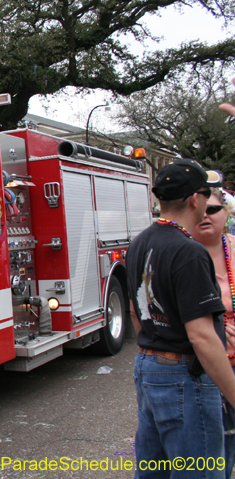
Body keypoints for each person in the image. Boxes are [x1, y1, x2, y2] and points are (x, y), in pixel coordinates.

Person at [128, 158, 235, 478]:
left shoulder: (139, 242)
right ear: (194, 200)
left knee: (154, 471)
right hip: (184, 376)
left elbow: (135, 311)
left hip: (148, 366)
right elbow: (201, 336)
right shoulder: (189, 251)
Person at [191, 187, 235, 476]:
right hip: (204, 369)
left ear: (226, 214)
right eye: (201, 210)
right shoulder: (183, 254)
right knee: (216, 449)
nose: (206, 215)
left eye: (214, 209)